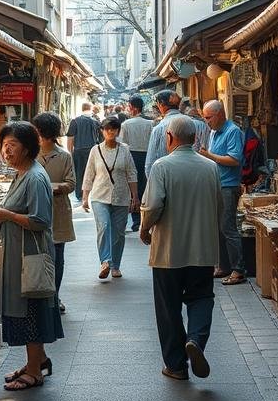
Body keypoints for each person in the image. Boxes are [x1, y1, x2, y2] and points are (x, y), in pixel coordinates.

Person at [139, 114, 221, 381]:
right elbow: (218, 205)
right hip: (203, 249)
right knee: (201, 297)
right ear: (196, 138)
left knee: (168, 306)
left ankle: (176, 365)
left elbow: (152, 207)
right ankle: (195, 339)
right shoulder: (210, 167)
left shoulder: (162, 167)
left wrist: (144, 229)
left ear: (169, 138)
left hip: (168, 251)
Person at [0, 122, 62, 391]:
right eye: (3, 145)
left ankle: (34, 372)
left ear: (27, 148)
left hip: (29, 256)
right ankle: (37, 361)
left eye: (12, 145)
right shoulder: (21, 174)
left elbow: (40, 220)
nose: (6, 150)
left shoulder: (35, 177)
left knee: (31, 311)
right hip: (18, 254)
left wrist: (6, 215)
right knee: (27, 309)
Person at [81, 116, 137, 280]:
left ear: (118, 131)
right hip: (99, 195)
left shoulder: (125, 149)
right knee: (104, 227)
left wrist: (135, 196)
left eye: (113, 128)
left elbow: (132, 173)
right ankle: (105, 261)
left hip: (121, 196)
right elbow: (89, 174)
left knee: (119, 233)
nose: (110, 131)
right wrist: (85, 196)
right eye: (107, 128)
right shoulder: (95, 150)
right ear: (102, 131)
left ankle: (115, 266)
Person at [200, 100, 247, 286]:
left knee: (228, 228)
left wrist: (209, 156)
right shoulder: (213, 132)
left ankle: (238, 269)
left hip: (228, 186)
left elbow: (234, 159)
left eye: (209, 117)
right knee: (217, 228)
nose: (206, 121)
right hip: (216, 184)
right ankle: (222, 266)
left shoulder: (232, 131)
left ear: (219, 114)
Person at [31, 111, 74, 313]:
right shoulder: (30, 155)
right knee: (38, 256)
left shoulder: (64, 156)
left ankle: (54, 297)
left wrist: (53, 187)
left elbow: (71, 183)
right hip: (35, 212)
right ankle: (41, 295)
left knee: (57, 257)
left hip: (58, 213)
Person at [144, 91, 210, 164]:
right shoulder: (199, 124)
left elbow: (150, 162)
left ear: (160, 104)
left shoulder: (158, 129)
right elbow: (209, 153)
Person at [119, 95, 155, 232]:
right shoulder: (150, 123)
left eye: (129, 107)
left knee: (132, 187)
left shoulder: (126, 124)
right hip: (147, 156)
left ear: (133, 108)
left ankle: (136, 221)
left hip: (131, 156)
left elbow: (123, 144)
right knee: (146, 187)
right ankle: (145, 218)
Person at [65, 103, 101, 200]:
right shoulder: (95, 122)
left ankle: (80, 195)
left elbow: (70, 138)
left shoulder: (75, 121)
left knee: (79, 173)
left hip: (79, 151)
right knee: (93, 173)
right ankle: (90, 193)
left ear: (82, 109)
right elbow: (101, 138)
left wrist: (70, 151)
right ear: (90, 109)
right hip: (92, 150)